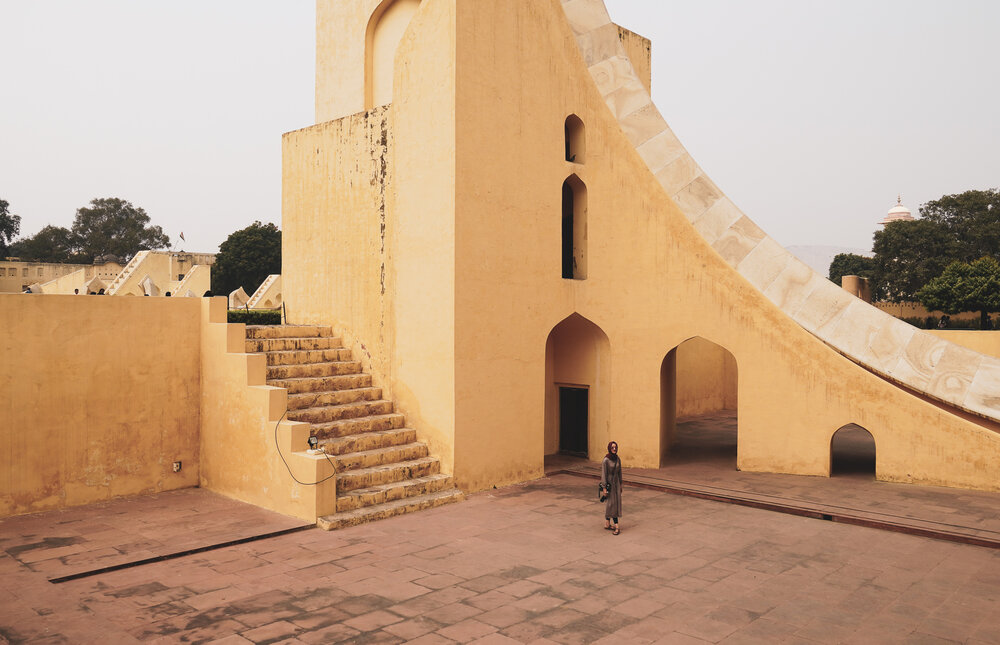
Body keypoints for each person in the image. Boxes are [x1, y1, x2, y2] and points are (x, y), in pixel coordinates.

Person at [601, 441, 622, 535]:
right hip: (609, 484)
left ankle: (607, 523)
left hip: (616, 483)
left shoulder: (618, 459)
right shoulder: (606, 460)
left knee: (612, 503)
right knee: (612, 504)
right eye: (612, 447)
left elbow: (620, 473)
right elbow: (603, 474)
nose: (614, 449)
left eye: (615, 447)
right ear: (609, 448)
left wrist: (621, 484)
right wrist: (604, 488)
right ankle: (617, 525)